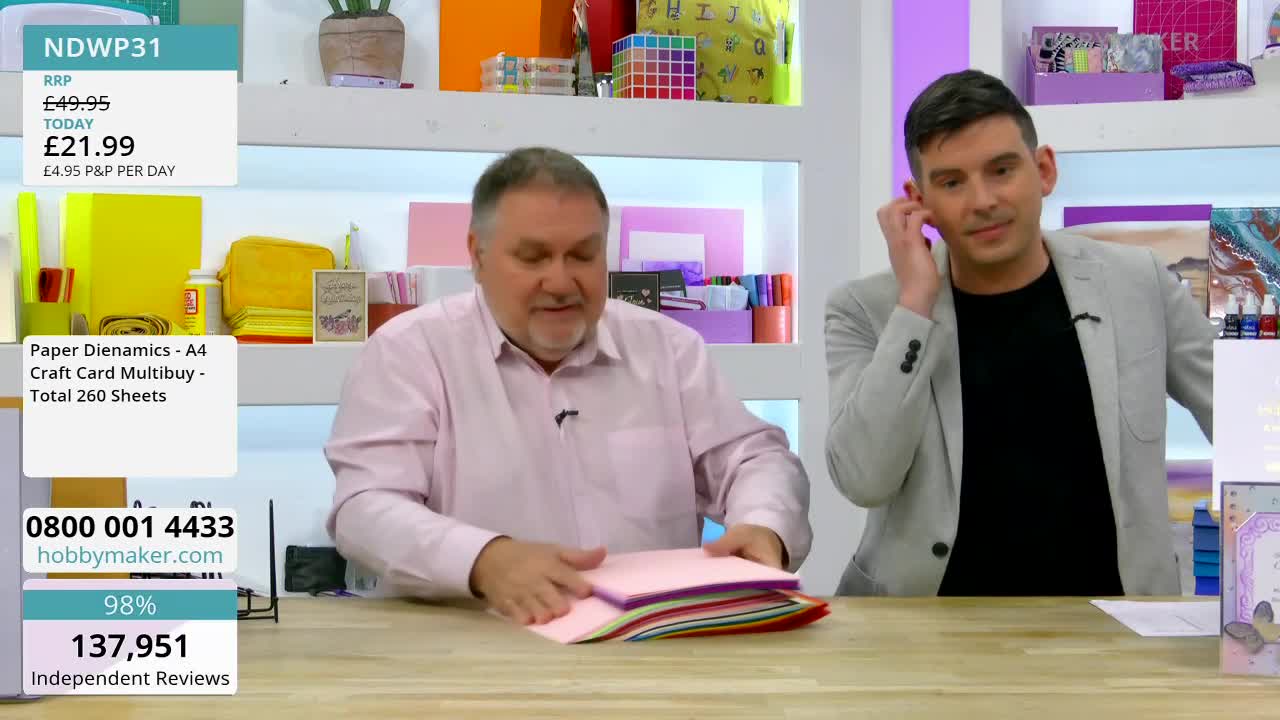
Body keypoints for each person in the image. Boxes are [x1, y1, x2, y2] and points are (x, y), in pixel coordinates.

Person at [325, 146, 811, 624]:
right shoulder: (409, 352)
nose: (560, 282)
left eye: (582, 255)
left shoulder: (669, 349)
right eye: (533, 257)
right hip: (468, 653)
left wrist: (763, 526)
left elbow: (756, 457)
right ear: (477, 254)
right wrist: (482, 560)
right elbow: (365, 508)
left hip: (650, 652)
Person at [824, 70, 1214, 598]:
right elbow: (863, 480)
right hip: (922, 627)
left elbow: (1247, 425)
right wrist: (916, 302)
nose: (982, 200)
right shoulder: (862, 309)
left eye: (1001, 170)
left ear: (1044, 169)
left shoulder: (1140, 282)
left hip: (1117, 625)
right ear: (920, 201)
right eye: (952, 182)